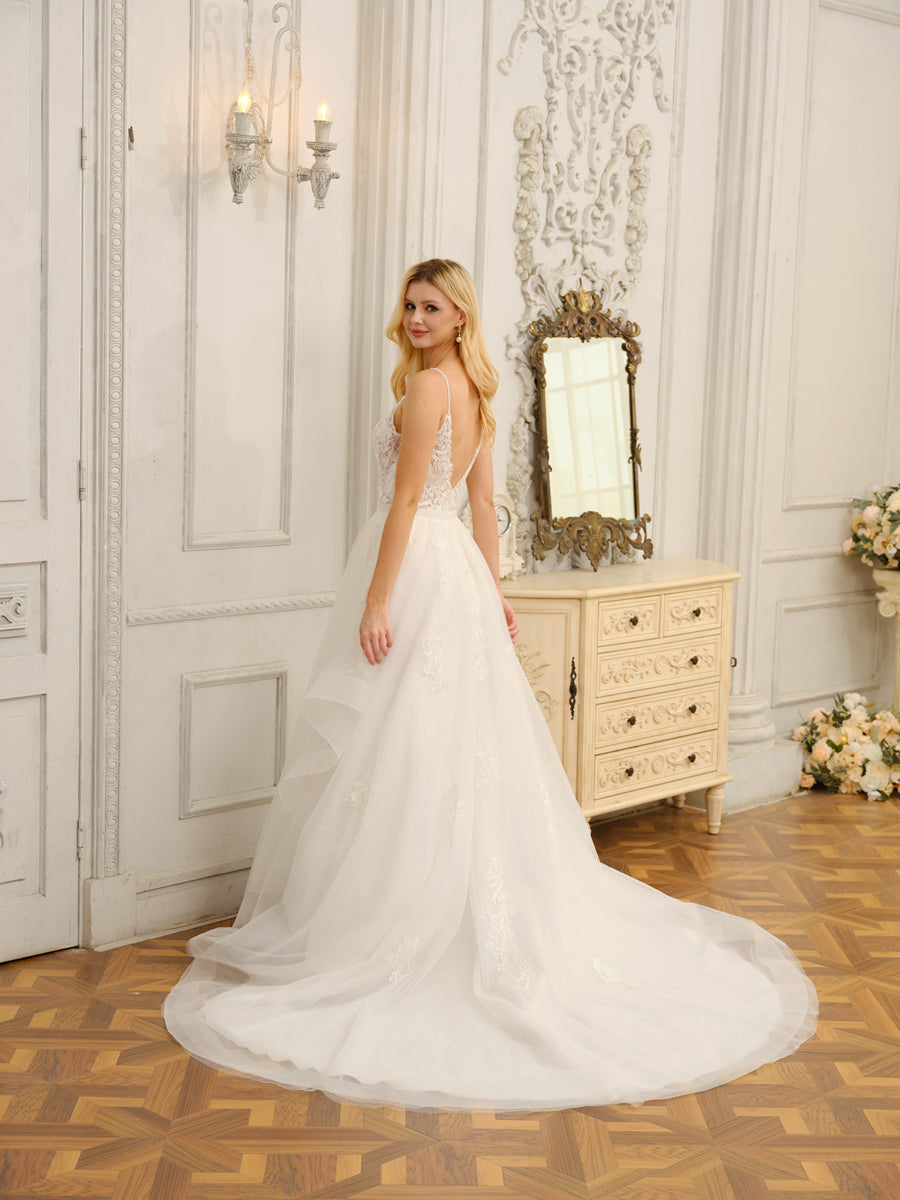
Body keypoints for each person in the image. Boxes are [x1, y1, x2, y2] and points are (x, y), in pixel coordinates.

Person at [163, 259, 817, 1112]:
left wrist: (377, 599)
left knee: (408, 741)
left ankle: (397, 918)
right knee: (444, 740)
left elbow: (408, 504)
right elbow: (480, 506)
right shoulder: (476, 393)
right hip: (457, 579)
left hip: (418, 571)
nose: (415, 317)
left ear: (461, 317)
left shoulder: (431, 388)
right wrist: (493, 590)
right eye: (409, 304)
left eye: (431, 306)